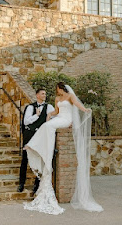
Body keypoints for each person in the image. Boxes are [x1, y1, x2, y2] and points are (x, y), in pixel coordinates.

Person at [23, 82, 103, 215]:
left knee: (47, 127)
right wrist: (49, 115)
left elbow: (77, 105)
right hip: (59, 117)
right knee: (46, 125)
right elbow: (56, 111)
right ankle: (34, 146)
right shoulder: (57, 99)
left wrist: (85, 110)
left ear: (61, 88)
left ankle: (35, 146)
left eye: (57, 89)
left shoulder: (70, 96)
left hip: (66, 120)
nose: (56, 92)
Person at [17, 89, 54, 194]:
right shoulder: (30, 107)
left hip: (40, 136)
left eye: (45, 94)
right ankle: (21, 183)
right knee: (25, 159)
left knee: (40, 158)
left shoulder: (49, 107)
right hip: (29, 135)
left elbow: (54, 117)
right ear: (37, 95)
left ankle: (37, 184)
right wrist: (36, 115)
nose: (45, 95)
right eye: (43, 94)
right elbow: (26, 121)